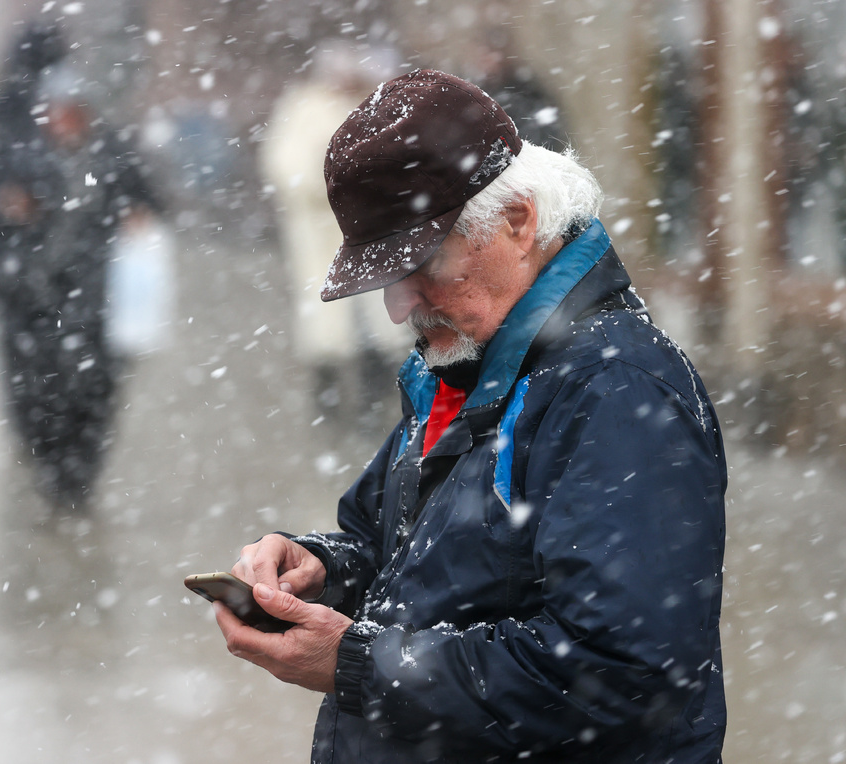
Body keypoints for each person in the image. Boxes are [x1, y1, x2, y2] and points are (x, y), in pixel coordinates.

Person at [211, 70, 727, 763]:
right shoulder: (464, 359)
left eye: (422, 264)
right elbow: (404, 553)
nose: (400, 304)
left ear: (518, 220)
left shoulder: (616, 388)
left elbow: (624, 676)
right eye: (386, 275)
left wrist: (356, 664)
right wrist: (320, 571)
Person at [0, 25, 161, 512]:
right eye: (56, 109)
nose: (64, 119)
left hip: (93, 304)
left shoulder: (108, 150)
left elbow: (147, 200)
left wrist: (137, 214)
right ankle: (53, 469)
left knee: (92, 393)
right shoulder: (16, 143)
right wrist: (6, 214)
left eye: (73, 109)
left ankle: (76, 474)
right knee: (39, 388)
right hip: (33, 298)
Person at [260, 43, 409, 425]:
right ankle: (327, 405)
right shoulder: (305, 109)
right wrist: (321, 181)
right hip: (321, 230)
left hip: (376, 228)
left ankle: (370, 404)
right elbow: (283, 162)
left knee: (377, 318)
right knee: (326, 319)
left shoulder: (387, 107)